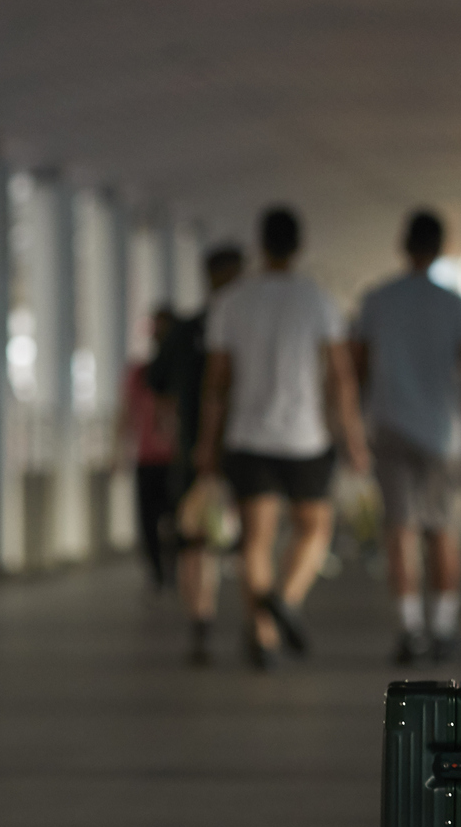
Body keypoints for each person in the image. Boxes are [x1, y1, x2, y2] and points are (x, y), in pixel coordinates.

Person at [196, 207, 369, 669]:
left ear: (262, 244)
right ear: (298, 246)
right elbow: (341, 378)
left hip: (247, 436)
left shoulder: (232, 301)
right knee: (314, 530)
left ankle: (264, 635)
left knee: (256, 539)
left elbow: (216, 384)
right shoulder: (318, 300)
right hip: (304, 437)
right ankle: (284, 602)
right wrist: (353, 438)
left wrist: (206, 445)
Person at [350, 209, 461, 664]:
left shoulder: (376, 300)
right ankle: (443, 628)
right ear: (439, 248)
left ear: (403, 244)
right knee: (442, 530)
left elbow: (356, 365)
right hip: (443, 434)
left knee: (400, 530)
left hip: (389, 426)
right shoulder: (454, 305)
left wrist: (356, 422)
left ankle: (410, 630)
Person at [148, 245, 245, 664]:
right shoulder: (249, 327)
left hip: (194, 452)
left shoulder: (185, 331)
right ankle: (259, 626)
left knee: (195, 543)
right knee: (249, 539)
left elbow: (159, 386)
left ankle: (202, 623)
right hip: (246, 448)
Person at [117, 307, 178, 590]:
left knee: (178, 519)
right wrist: (118, 449)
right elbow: (125, 413)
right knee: (149, 521)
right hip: (147, 457)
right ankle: (158, 572)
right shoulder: (138, 372)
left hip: (178, 459)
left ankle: (176, 570)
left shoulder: (183, 371)